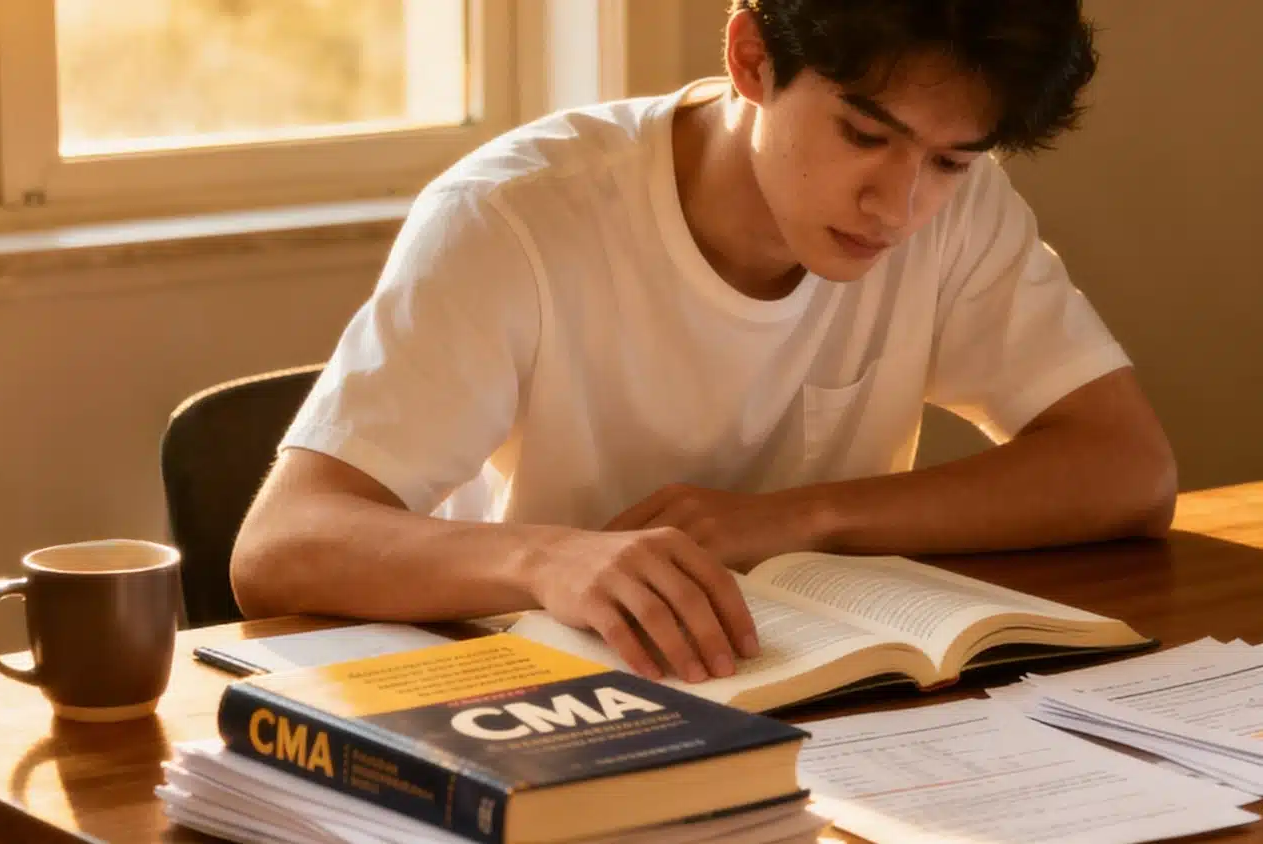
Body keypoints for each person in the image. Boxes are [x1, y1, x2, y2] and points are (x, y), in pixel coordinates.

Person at [230, 0, 1176, 685]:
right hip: (561, 703)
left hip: (834, 704)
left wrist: (800, 519)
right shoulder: (516, 216)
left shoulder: (957, 214)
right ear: (751, 57)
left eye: (950, 160)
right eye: (863, 134)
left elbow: (1127, 468)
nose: (900, 207)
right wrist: (550, 560)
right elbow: (283, 545)